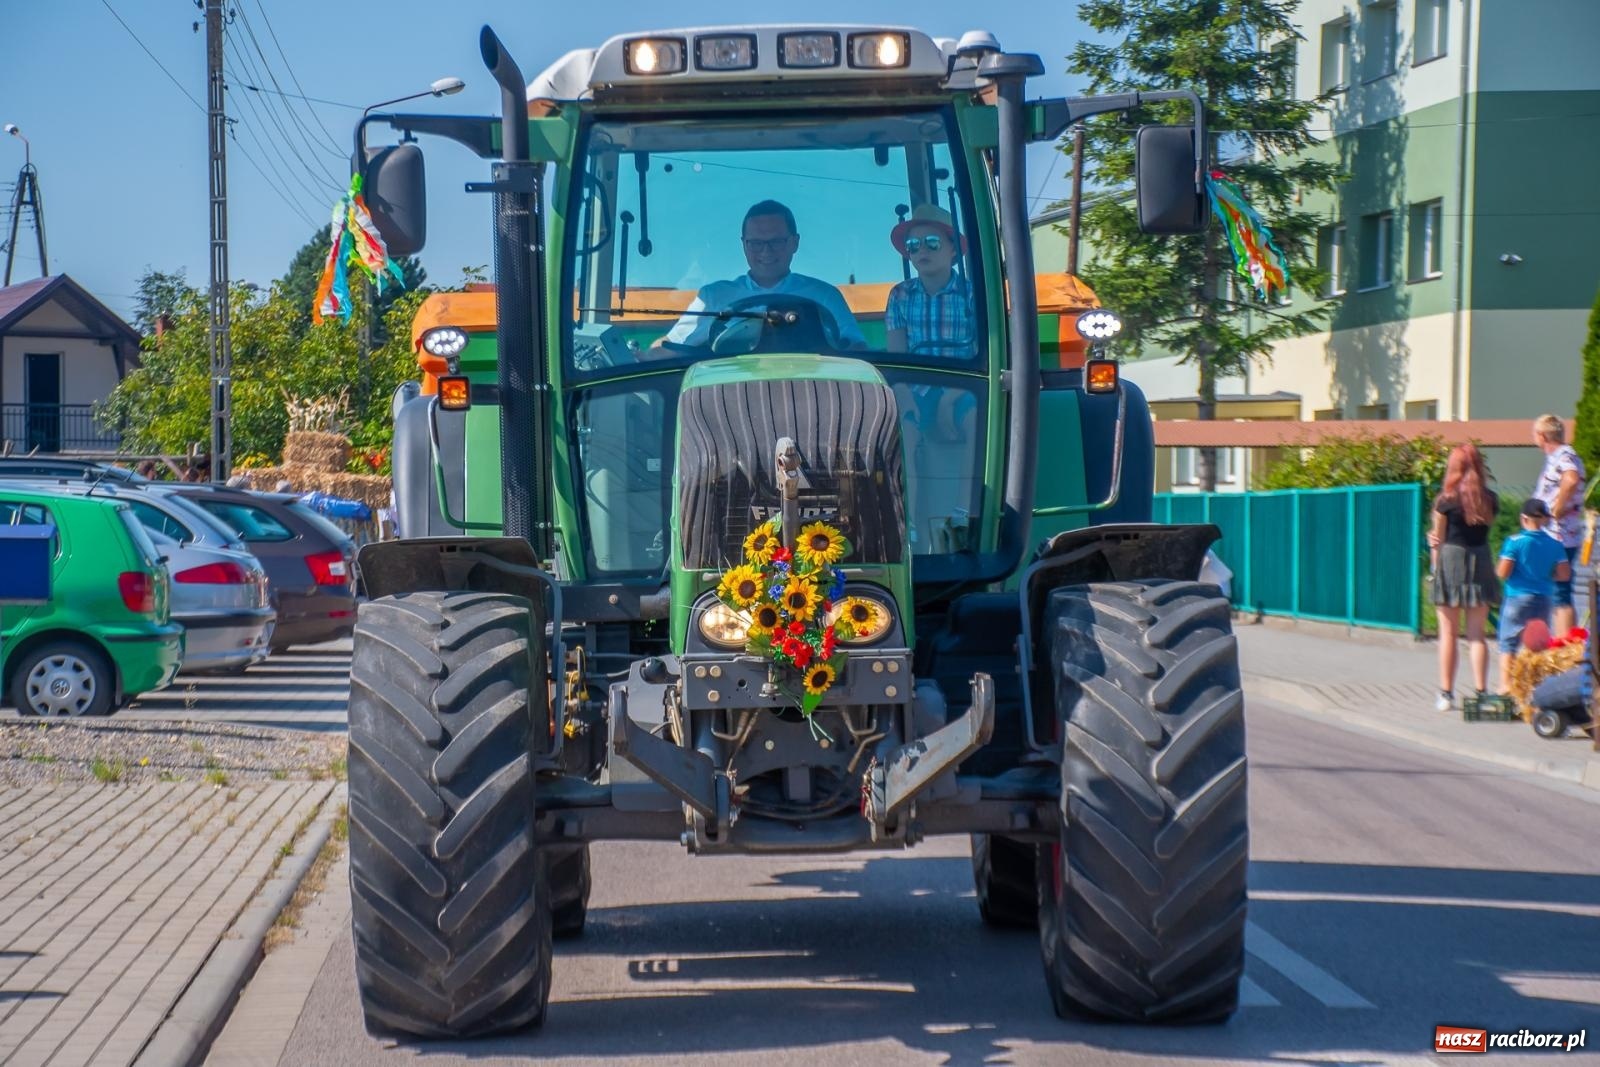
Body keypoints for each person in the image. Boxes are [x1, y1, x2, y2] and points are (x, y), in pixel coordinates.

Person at [657, 200, 865, 350]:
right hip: (729, 402)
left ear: (795, 242)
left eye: (776, 242)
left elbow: (856, 349)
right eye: (756, 243)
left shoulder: (825, 296)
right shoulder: (713, 298)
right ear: (744, 245)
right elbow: (670, 347)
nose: (766, 252)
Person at [1427, 444, 1499, 711]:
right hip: (1481, 558)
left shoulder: (1445, 500)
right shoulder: (1490, 499)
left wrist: (1435, 570)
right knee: (1477, 635)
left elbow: (1438, 539)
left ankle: (1446, 694)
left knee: (1447, 633)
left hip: (1451, 559)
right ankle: (1481, 693)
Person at [1495, 497, 1571, 693]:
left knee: (1509, 642)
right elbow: (1564, 574)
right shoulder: (1556, 544)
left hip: (1517, 596)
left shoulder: (1514, 542)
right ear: (1545, 519)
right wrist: (1547, 575)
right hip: (1544, 597)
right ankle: (1538, 687)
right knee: (1538, 644)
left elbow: (1503, 572)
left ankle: (1506, 686)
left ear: (1523, 518)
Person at [885, 205, 974, 358]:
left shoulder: (972, 294)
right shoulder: (898, 295)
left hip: (962, 382)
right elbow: (898, 365)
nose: (922, 250)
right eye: (913, 245)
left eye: (932, 242)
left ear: (953, 248)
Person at [1532, 413, 1587, 634]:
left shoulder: (1564, 455)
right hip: (1559, 534)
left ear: (1543, 436)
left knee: (1560, 592)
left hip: (1560, 535)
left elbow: (1571, 479)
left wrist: (1556, 509)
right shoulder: (1559, 457)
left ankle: (1563, 646)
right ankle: (1564, 643)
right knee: (1558, 591)